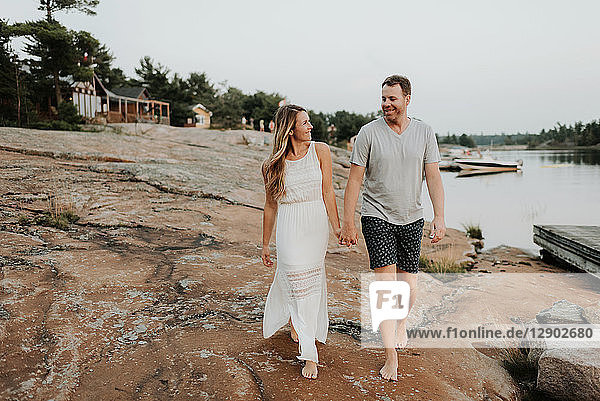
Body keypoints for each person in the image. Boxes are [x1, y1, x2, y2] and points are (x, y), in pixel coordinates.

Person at [339, 75, 446, 381]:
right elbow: (355, 180)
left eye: (392, 99)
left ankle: (401, 324)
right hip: (377, 217)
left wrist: (439, 216)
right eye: (383, 99)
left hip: (412, 217)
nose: (386, 104)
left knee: (409, 288)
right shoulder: (368, 133)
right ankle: (391, 357)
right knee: (386, 288)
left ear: (407, 99)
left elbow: (434, 177)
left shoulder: (425, 132)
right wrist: (349, 222)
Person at [262, 104, 341, 379]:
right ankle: (309, 350)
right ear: (290, 129)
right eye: (305, 123)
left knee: (309, 284)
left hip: (315, 224)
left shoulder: (321, 151)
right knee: (293, 276)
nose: (310, 127)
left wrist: (338, 227)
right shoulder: (273, 164)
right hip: (288, 224)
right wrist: (265, 244)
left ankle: (305, 340)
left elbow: (328, 191)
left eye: (309, 122)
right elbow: (270, 206)